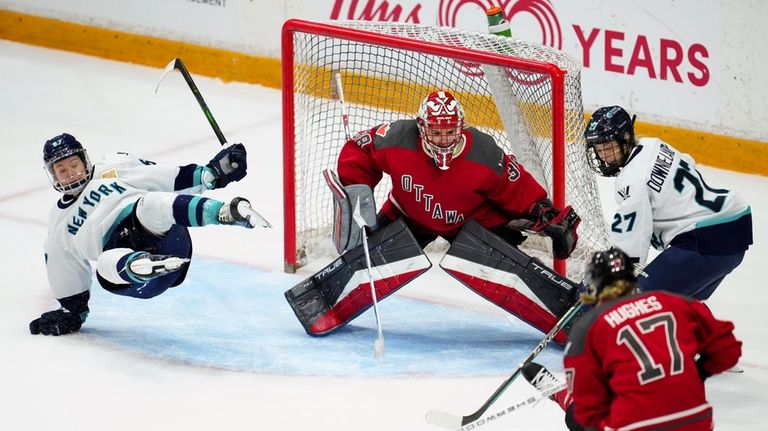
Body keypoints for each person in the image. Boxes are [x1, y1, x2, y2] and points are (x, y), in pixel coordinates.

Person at [285, 91, 581, 340]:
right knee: (366, 258)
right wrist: (357, 193)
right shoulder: (398, 137)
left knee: (511, 267)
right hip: (408, 215)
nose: (443, 140)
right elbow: (359, 152)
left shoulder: (484, 152)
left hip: (472, 220)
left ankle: (568, 315)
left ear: (461, 128)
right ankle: (321, 304)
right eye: (436, 132)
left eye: (450, 132)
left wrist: (544, 212)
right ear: (421, 127)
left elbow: (518, 187)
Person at [30, 132, 271, 336]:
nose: (70, 173)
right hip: (133, 275)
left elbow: (164, 177)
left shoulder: (113, 168)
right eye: (61, 170)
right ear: (53, 176)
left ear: (84, 160)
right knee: (106, 264)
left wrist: (214, 173)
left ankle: (225, 212)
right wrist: (73, 311)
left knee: (151, 204)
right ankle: (141, 266)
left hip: (161, 236)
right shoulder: (58, 223)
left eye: (73, 164)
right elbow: (63, 268)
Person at [524, 247, 742, 431]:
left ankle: (556, 392)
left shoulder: (590, 329)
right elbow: (727, 350)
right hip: (696, 420)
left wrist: (567, 398)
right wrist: (697, 374)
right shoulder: (677, 303)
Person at [584, 106, 752, 300]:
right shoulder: (653, 144)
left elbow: (631, 245)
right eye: (599, 149)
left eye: (609, 147)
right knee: (682, 304)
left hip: (704, 242)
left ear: (626, 138)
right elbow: (688, 161)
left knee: (637, 302)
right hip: (735, 227)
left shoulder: (631, 179)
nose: (604, 155)